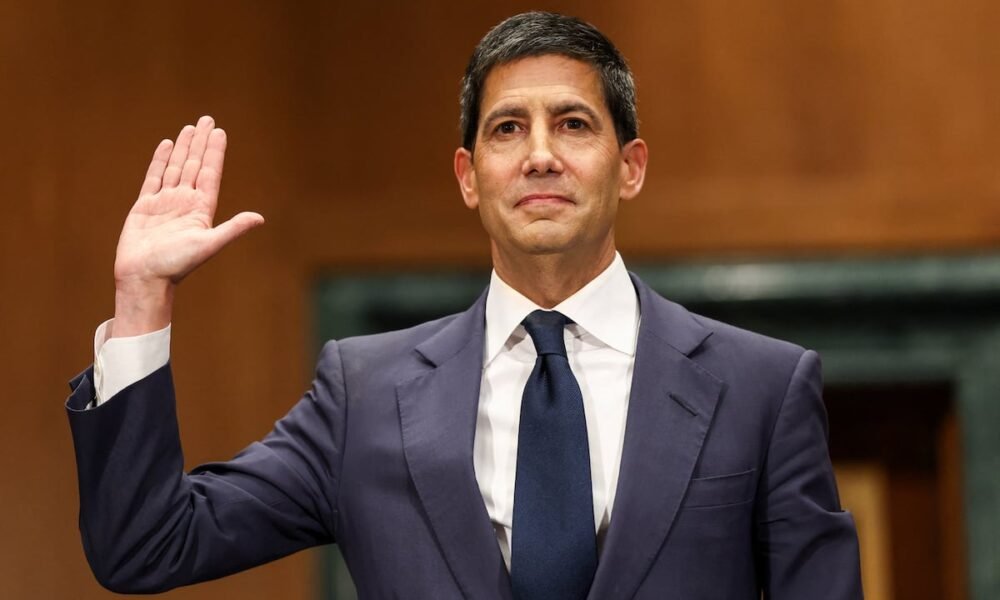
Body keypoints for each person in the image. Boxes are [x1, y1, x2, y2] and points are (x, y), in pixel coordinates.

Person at [66, 12, 862, 600]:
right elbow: (147, 545)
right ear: (468, 176)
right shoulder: (364, 395)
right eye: (508, 129)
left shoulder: (762, 386)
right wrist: (141, 301)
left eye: (574, 124)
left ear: (631, 167)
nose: (541, 154)